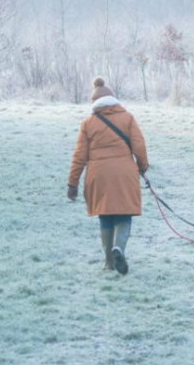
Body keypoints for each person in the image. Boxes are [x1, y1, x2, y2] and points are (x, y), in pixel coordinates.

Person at [67, 77, 149, 275]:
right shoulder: (127, 117)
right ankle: (118, 248)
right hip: (124, 173)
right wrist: (142, 167)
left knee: (105, 215)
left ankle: (108, 262)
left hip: (98, 175)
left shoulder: (88, 123)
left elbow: (79, 155)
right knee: (123, 213)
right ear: (113, 99)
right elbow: (139, 145)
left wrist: (73, 183)